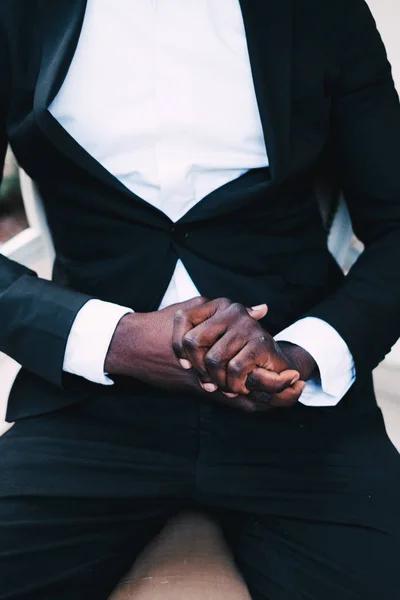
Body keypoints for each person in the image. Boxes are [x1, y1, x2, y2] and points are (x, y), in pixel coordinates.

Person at [0, 1, 399, 598]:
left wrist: (304, 351)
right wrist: (116, 340)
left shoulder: (323, 11)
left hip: (302, 418)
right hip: (89, 411)